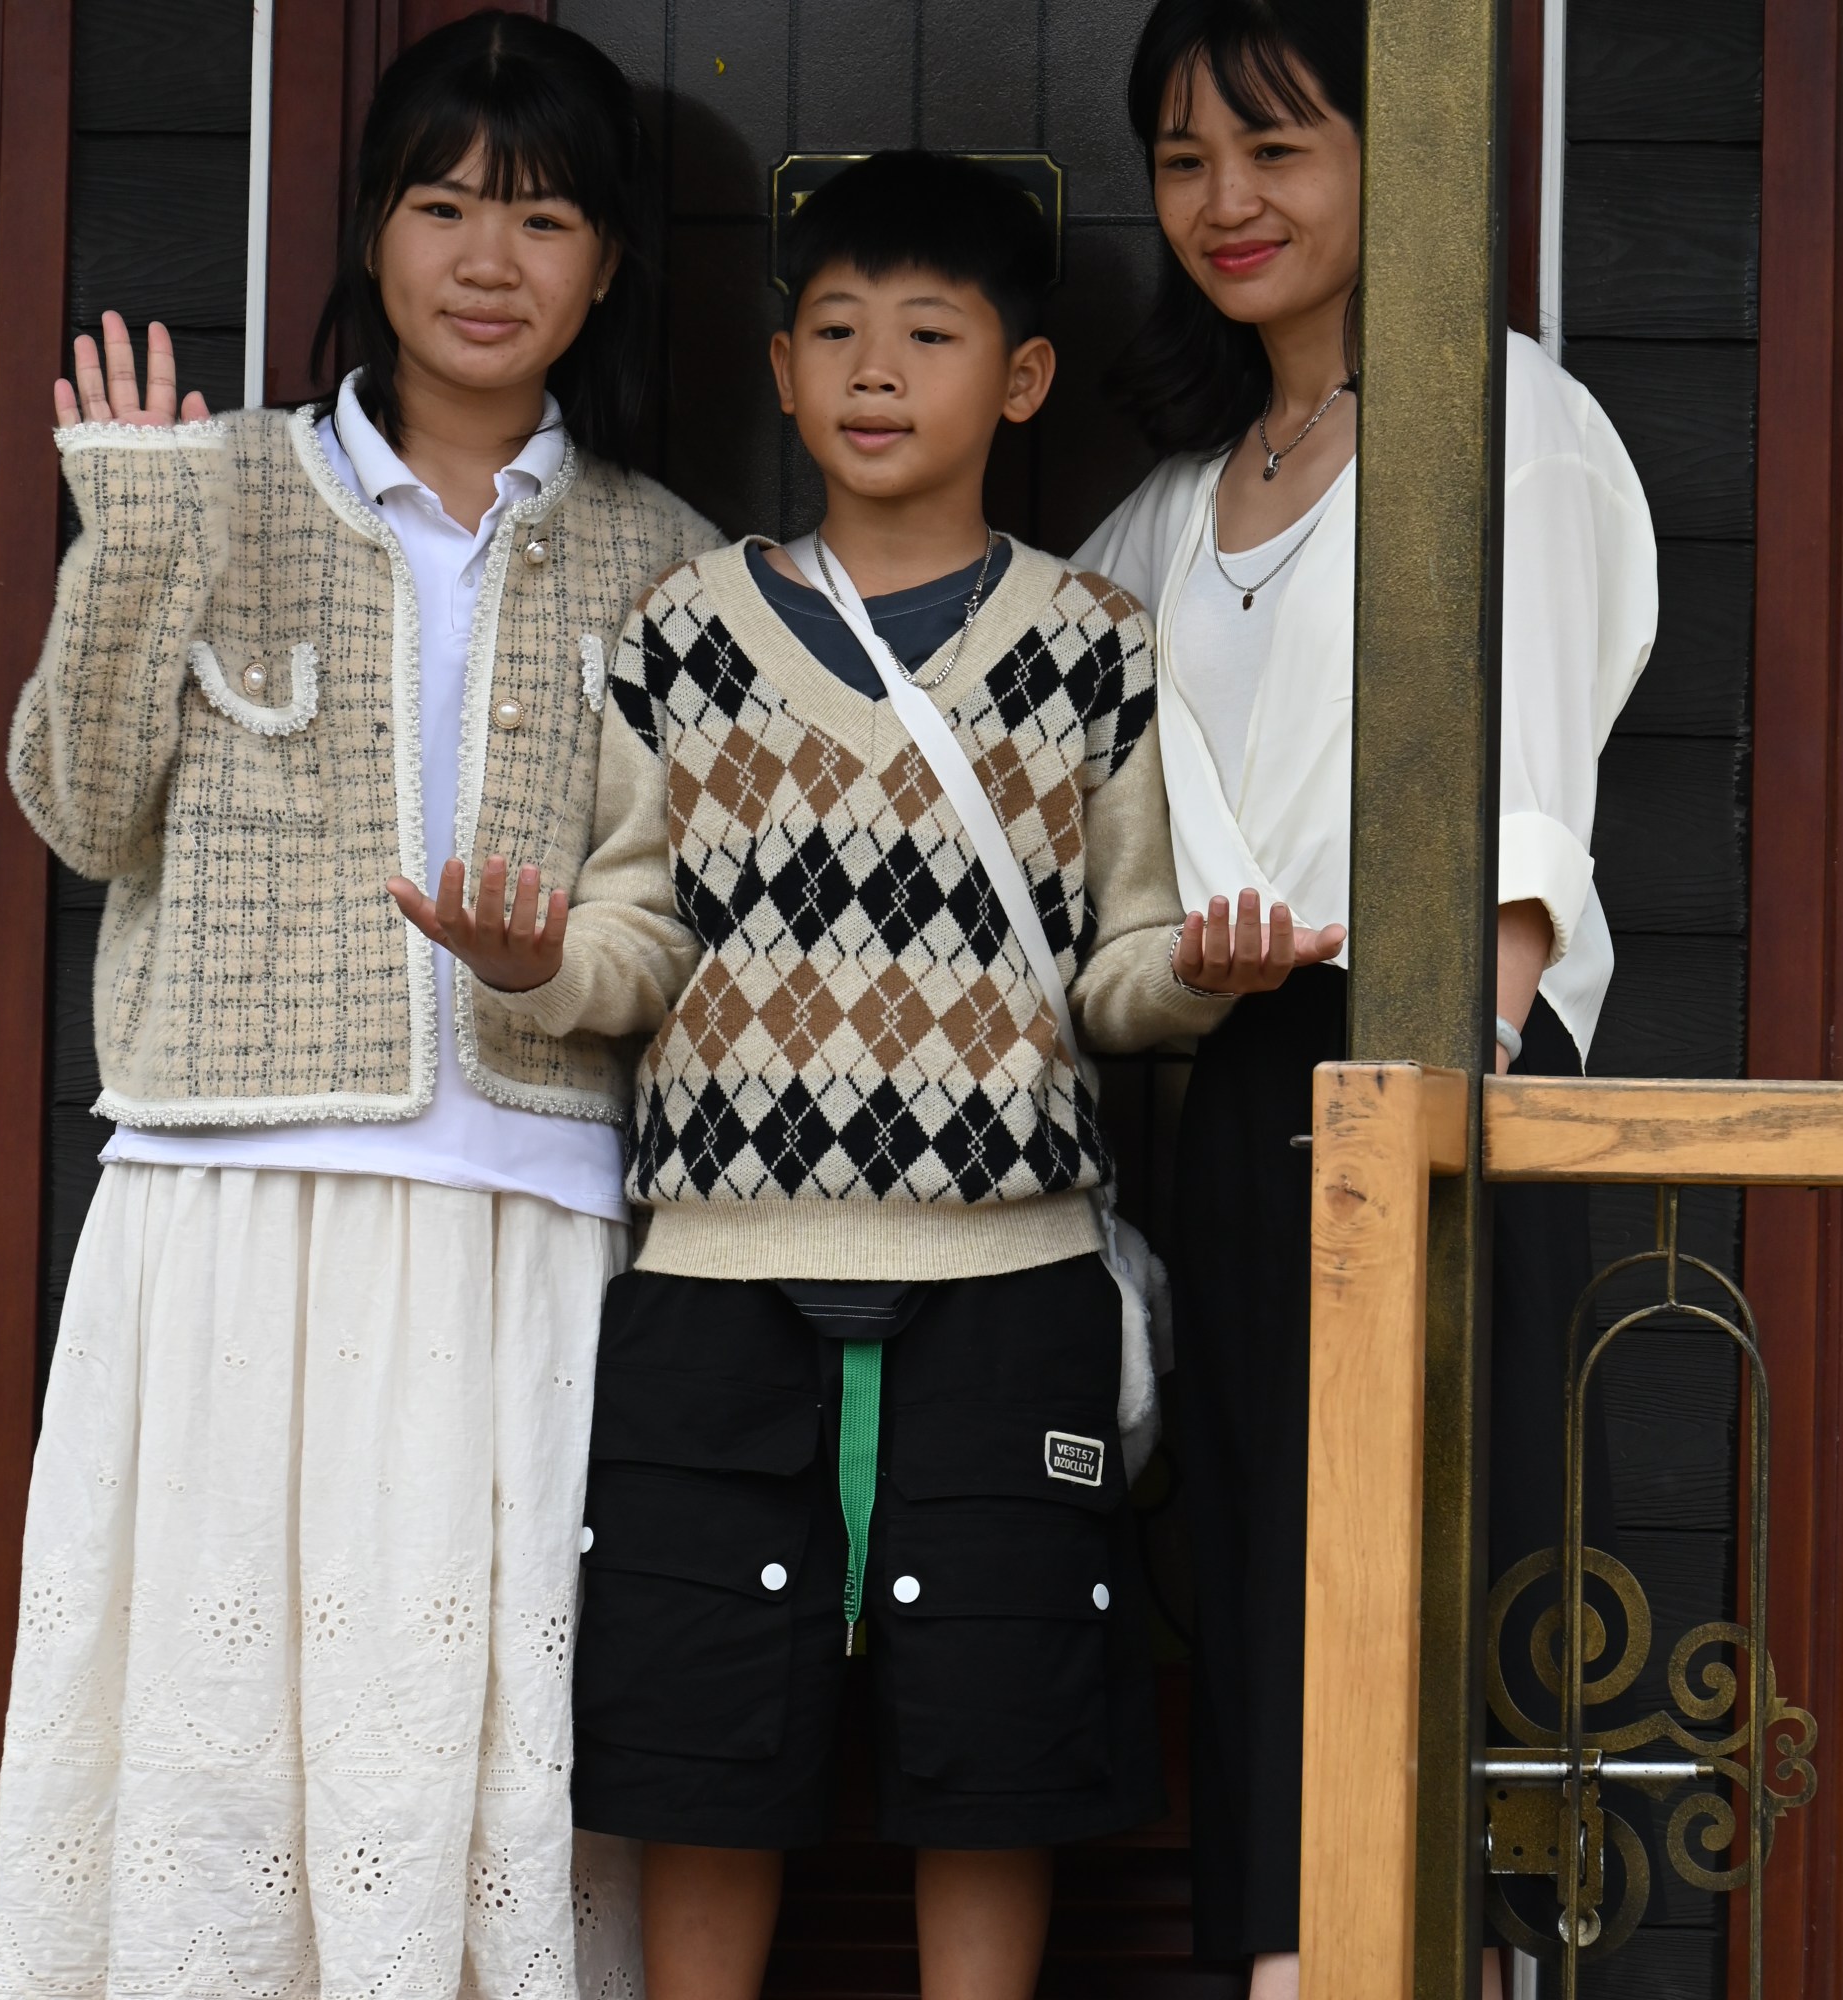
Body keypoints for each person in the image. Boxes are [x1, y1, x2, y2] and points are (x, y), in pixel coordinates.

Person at [403, 148, 1282, 2000]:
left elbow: (1118, 968)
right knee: (703, 1746)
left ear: (1021, 380)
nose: (877, 372)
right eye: (836, 333)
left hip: (1012, 1280)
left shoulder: (1091, 646)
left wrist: (1201, 977)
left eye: (930, 335)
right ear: (782, 373)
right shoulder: (685, 632)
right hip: (715, 1284)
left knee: (998, 1750)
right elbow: (639, 939)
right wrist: (532, 963)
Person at [0, 15, 716, 1998]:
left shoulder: (665, 557)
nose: (488, 258)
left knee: (474, 1740)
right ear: (372, 230)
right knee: (215, 1735)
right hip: (232, 1206)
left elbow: (676, 919)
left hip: (526, 1219)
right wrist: (131, 539)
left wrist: (544, 967)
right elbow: (78, 808)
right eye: (445, 203)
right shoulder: (212, 484)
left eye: (543, 216)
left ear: (607, 264)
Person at [1073, 4, 1658, 1995]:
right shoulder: (1173, 503)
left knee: (1429, 1624)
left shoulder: (1504, 419)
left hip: (1433, 1084)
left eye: (1276, 146)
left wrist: (1434, 1114)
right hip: (1239, 1095)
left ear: (1388, 153)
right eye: (1182, 159)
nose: (1224, 200)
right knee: (1269, 1622)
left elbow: (1523, 809)